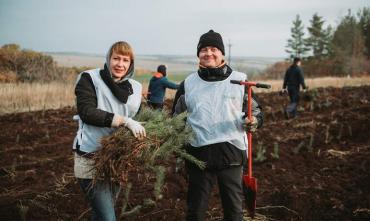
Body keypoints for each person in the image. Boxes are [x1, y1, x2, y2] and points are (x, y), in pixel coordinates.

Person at [172, 30, 264, 221]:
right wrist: (179, 152)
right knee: (195, 213)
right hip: (198, 156)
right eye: (204, 49)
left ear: (222, 53)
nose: (209, 53)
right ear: (198, 54)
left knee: (234, 213)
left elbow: (255, 112)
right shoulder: (188, 84)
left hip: (231, 153)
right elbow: (177, 120)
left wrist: (253, 122)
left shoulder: (240, 81)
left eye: (214, 49)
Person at [72, 41, 146, 221]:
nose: (120, 64)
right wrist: (124, 121)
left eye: (125, 60)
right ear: (108, 59)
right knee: (107, 217)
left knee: (101, 213)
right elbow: (87, 112)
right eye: (116, 58)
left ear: (131, 64)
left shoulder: (135, 87)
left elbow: (139, 114)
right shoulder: (90, 78)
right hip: (90, 157)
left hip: (117, 159)